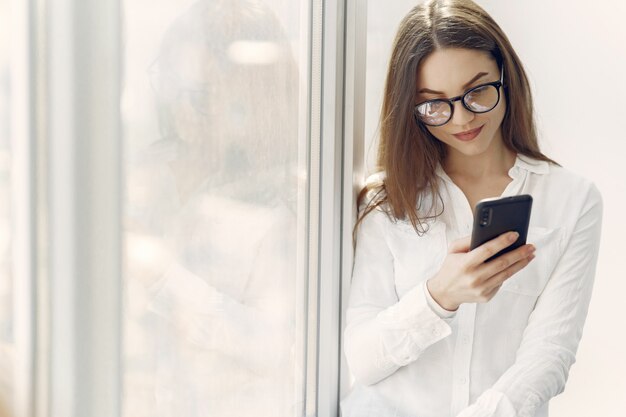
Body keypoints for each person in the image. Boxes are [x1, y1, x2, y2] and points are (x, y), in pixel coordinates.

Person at [341, 1, 603, 417]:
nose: (461, 118)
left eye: (477, 90)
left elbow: (549, 353)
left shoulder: (571, 198)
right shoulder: (387, 200)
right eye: (434, 104)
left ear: (505, 76)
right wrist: (438, 296)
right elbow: (362, 360)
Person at [123, 0, 301, 416]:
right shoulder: (152, 172)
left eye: (202, 98)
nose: (183, 112)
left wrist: (163, 277)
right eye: (173, 87)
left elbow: (278, 346)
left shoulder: (287, 202)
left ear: (256, 100)